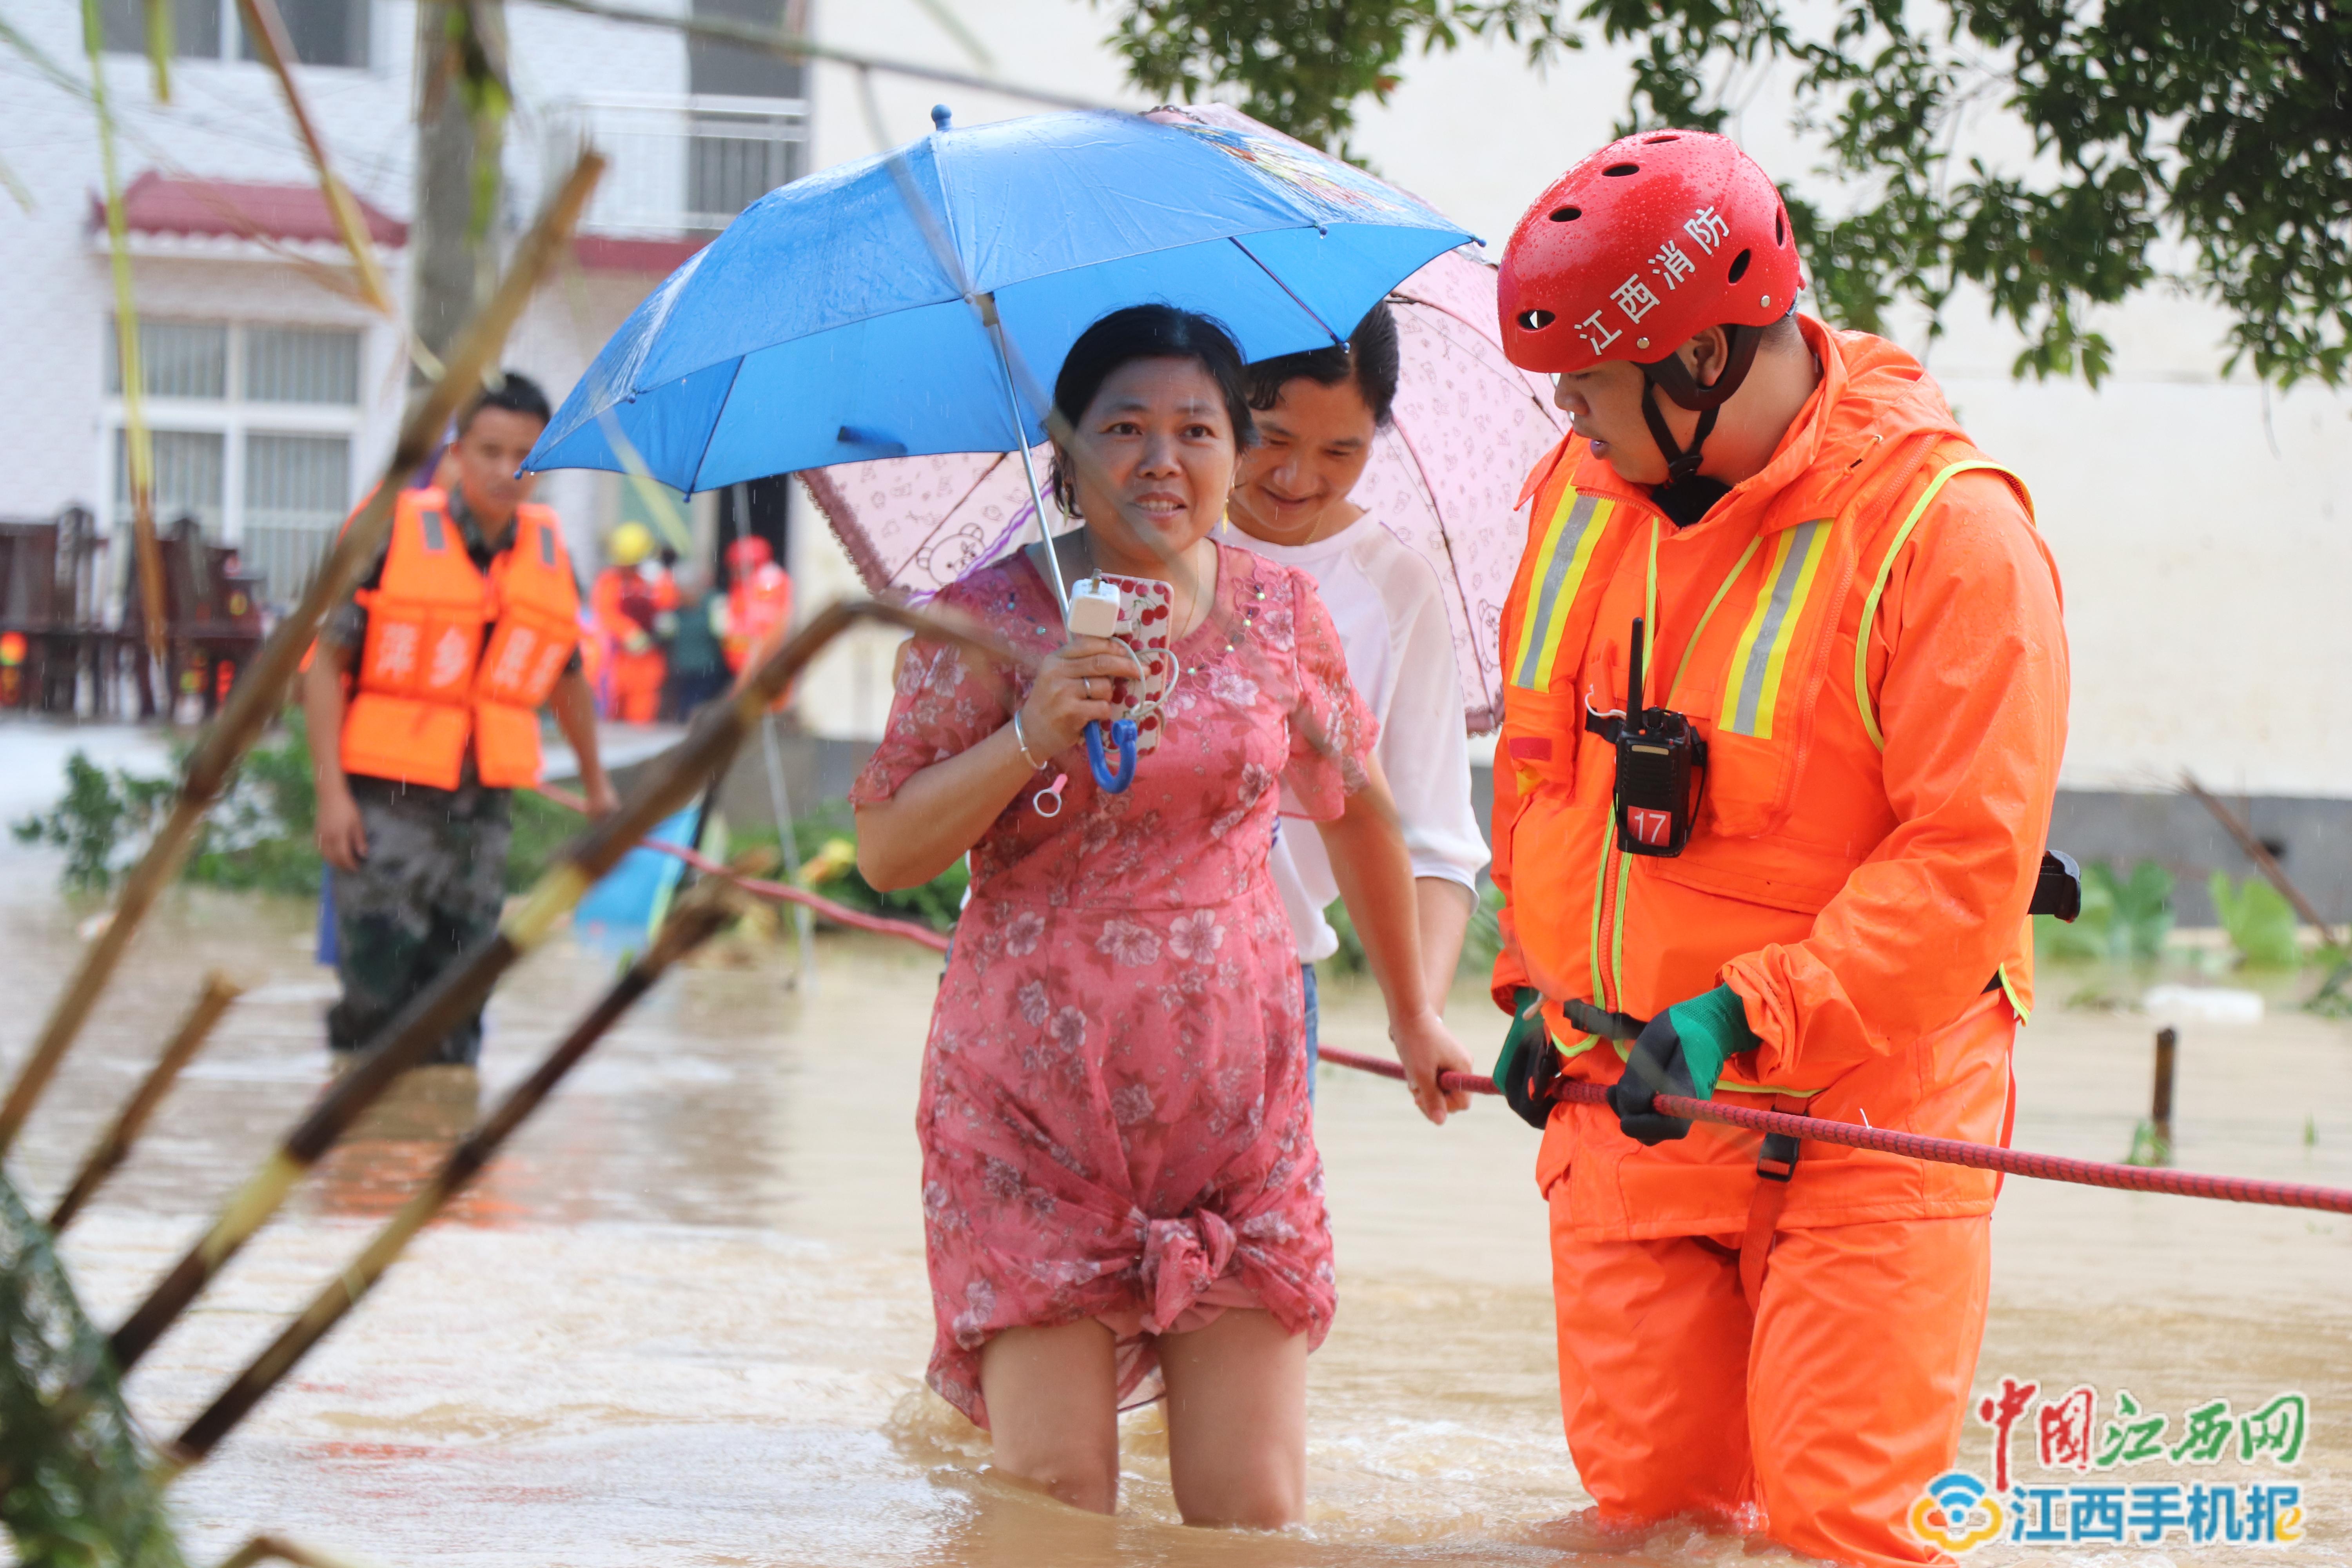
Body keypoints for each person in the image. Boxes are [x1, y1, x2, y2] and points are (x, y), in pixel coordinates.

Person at [1485, 133, 2067, 1566]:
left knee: (1846, 1529)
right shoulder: (1578, 494)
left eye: (1587, 381)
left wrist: (1749, 1012)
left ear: (1693, 367)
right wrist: (1527, 985)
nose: (1564, 414)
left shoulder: (1949, 538)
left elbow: (1963, 866)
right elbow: (1540, 777)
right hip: (1628, 1092)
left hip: (1864, 1116)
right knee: (1645, 1524)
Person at [851, 305, 1475, 1528]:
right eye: (1124, 427)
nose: (1162, 459)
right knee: (1056, 1490)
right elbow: (885, 846)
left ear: (1232, 452)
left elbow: (1359, 813)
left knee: (1250, 1504)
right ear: (1064, 449)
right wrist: (1031, 731)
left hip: (1237, 1112)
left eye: (1196, 429)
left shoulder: (1278, 615)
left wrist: (1413, 1015)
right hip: (1031, 1108)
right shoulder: (979, 619)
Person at [306, 372, 619, 1067]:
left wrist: (598, 787)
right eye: (490, 451)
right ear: (458, 451)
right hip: (385, 804)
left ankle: (438, 1141)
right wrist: (330, 794)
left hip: (482, 816)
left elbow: (566, 678)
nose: (508, 471)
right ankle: (352, 1149)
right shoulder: (393, 532)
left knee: (461, 999)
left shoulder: (547, 554)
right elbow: (324, 665)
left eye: (526, 457)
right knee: (376, 993)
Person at [1221, 301, 1488, 1071]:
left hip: (1264, 988)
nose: (1297, 477)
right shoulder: (1148, 537)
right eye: (1271, 439)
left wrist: (1419, 1015)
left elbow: (1434, 840)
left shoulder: (1393, 586)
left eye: (1341, 449)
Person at [590, 520, 676, 722]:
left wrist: (657, 580)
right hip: (614, 659)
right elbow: (605, 612)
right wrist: (629, 632)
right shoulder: (609, 580)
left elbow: (668, 606)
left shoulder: (656, 580)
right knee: (611, 716)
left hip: (648, 661)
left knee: (641, 716)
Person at [717, 533, 793, 676]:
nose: (733, 572)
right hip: (744, 667)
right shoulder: (741, 587)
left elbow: (769, 627)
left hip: (763, 669)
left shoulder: (771, 585)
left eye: (737, 567)